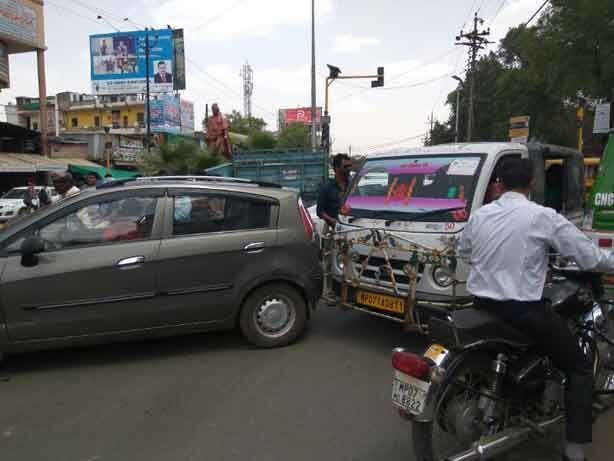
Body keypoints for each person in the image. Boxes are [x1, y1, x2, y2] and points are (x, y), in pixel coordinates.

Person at [458, 157, 614, 461]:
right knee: (580, 366)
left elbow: (465, 251)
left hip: (481, 306)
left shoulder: (481, 215)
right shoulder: (542, 216)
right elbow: (589, 257)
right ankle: (575, 449)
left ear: (499, 184)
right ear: (531, 184)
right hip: (521, 312)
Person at [316, 153, 352, 232]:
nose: (349, 169)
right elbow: (319, 212)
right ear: (336, 168)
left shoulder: (353, 186)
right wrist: (332, 221)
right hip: (333, 231)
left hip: (351, 228)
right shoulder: (326, 188)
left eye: (350, 166)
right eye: (346, 166)